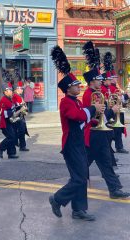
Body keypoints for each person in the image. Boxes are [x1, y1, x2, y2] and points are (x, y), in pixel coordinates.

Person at [49, 45, 105, 221]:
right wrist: (93, 108)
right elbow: (77, 116)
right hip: (71, 145)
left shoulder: (77, 101)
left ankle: (79, 210)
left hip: (79, 142)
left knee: (82, 177)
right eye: (75, 84)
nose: (79, 85)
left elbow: (84, 119)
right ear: (68, 89)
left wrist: (96, 116)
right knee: (79, 178)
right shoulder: (67, 103)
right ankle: (57, 199)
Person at [82, 60, 129, 199]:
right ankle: (70, 189)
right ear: (92, 81)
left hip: (100, 134)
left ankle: (114, 189)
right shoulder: (89, 95)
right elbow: (95, 117)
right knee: (84, 165)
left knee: (106, 163)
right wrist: (111, 111)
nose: (101, 81)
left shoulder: (96, 92)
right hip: (94, 134)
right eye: (98, 79)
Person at [0, 71, 19, 159]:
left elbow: (12, 108)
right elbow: (5, 113)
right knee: (11, 137)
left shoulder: (10, 99)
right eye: (10, 90)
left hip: (10, 122)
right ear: (5, 91)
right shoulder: (3, 100)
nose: (11, 91)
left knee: (13, 137)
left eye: (11, 90)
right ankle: (0, 148)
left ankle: (11, 153)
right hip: (5, 123)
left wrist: (18, 108)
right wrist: (14, 113)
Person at [109, 72, 128, 154]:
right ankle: (117, 147)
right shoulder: (111, 88)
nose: (116, 79)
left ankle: (118, 147)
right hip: (113, 112)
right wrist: (126, 96)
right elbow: (118, 99)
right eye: (114, 77)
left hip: (117, 111)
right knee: (115, 131)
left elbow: (120, 99)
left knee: (118, 130)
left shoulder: (114, 87)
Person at [12, 69, 29, 152]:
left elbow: (24, 105)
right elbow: (17, 106)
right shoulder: (15, 96)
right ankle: (21, 145)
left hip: (21, 115)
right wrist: (23, 106)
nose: (22, 90)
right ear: (17, 89)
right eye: (21, 89)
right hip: (18, 116)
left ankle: (21, 145)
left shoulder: (19, 96)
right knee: (21, 131)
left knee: (22, 131)